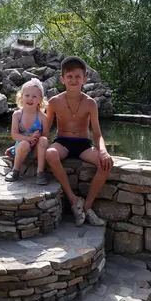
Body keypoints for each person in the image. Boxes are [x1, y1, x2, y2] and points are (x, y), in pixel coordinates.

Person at [45, 56, 113, 226]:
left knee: (106, 163)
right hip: (63, 142)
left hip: (83, 144)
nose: (73, 80)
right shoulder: (54, 102)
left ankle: (88, 206)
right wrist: (22, 147)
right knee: (50, 153)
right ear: (62, 79)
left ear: (84, 79)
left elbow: (97, 134)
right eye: (69, 77)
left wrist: (103, 151)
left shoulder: (90, 103)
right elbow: (45, 132)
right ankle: (74, 201)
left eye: (77, 77)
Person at [5, 78, 50, 185]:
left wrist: (37, 137)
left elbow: (46, 135)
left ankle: (40, 172)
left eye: (34, 96)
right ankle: (15, 170)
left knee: (43, 140)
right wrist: (29, 138)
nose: (30, 99)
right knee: (24, 143)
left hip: (35, 150)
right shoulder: (17, 115)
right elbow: (14, 135)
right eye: (27, 96)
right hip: (22, 148)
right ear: (21, 97)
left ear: (40, 100)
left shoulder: (42, 117)